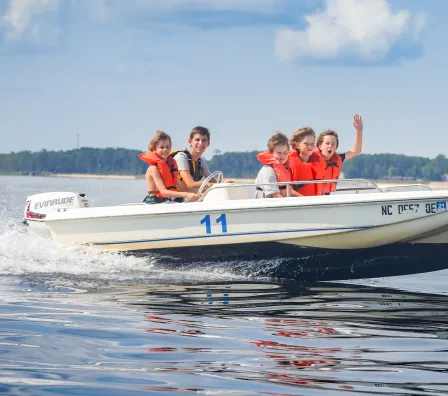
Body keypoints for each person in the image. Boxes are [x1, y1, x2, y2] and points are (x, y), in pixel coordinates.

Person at [138, 130, 199, 204]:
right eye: (161, 147)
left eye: (168, 147)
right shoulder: (153, 169)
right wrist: (186, 194)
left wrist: (199, 195)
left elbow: (184, 189)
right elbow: (163, 192)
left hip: (167, 201)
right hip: (154, 202)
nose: (165, 149)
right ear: (154, 149)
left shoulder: (171, 167)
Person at [312, 114, 364, 195]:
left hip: (327, 197)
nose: (330, 146)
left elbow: (356, 151)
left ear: (336, 147)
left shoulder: (337, 159)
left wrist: (359, 130)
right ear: (320, 146)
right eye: (327, 143)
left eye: (333, 144)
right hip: (311, 198)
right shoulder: (310, 158)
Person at [255, 132, 302, 198]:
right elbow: (275, 194)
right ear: (271, 153)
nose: (282, 156)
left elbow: (288, 190)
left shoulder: (285, 168)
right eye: (279, 153)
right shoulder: (268, 170)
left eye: (285, 153)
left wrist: (306, 199)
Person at [171, 126, 213, 192]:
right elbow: (190, 184)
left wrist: (224, 183)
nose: (201, 143)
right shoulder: (181, 157)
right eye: (197, 140)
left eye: (204, 140)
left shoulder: (201, 161)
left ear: (208, 143)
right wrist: (216, 185)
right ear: (190, 141)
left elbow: (212, 180)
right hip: (171, 199)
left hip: (187, 197)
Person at [289, 127, 319, 196]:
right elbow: (286, 189)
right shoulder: (288, 163)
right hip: (299, 204)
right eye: (306, 144)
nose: (310, 147)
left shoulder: (318, 162)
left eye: (312, 144)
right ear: (297, 145)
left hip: (316, 203)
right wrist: (305, 200)